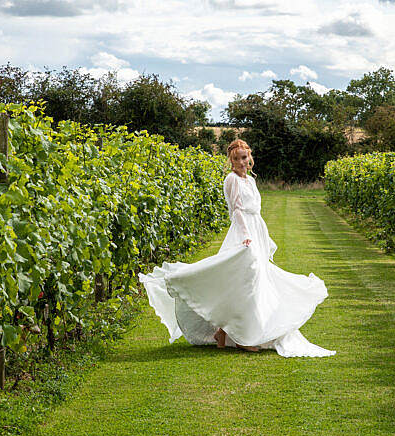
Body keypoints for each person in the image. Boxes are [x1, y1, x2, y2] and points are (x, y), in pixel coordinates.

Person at [137, 139, 335, 358]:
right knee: (246, 280)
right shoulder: (232, 180)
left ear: (249, 157)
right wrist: (246, 236)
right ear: (231, 160)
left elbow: (255, 211)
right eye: (237, 158)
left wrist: (262, 236)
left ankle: (223, 332)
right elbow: (237, 211)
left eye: (244, 157)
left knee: (253, 281)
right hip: (244, 234)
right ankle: (244, 337)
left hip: (256, 230)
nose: (242, 162)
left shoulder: (250, 180)